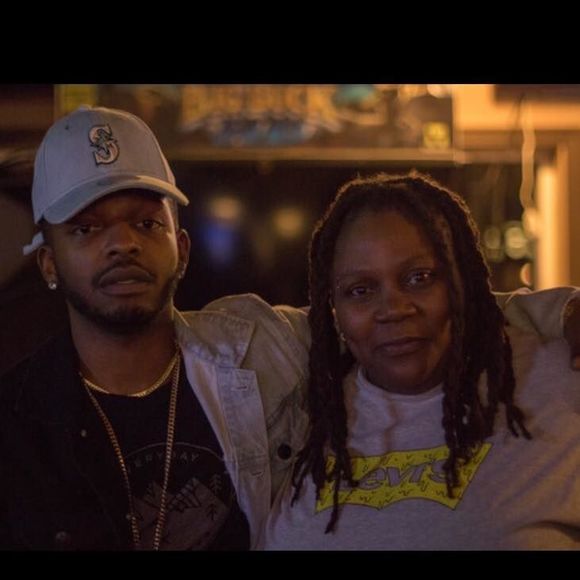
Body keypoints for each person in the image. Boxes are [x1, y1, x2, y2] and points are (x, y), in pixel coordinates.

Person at [0, 107, 577, 551]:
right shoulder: (16, 418)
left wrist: (564, 312)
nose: (122, 244)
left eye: (146, 222)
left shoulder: (257, 350)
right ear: (48, 263)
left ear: (182, 247)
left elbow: (418, 310)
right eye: (87, 229)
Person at [263, 172, 580, 550]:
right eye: (360, 290)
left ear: (463, 281)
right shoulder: (296, 408)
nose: (393, 309)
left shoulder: (561, 382)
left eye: (419, 278)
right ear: (334, 308)